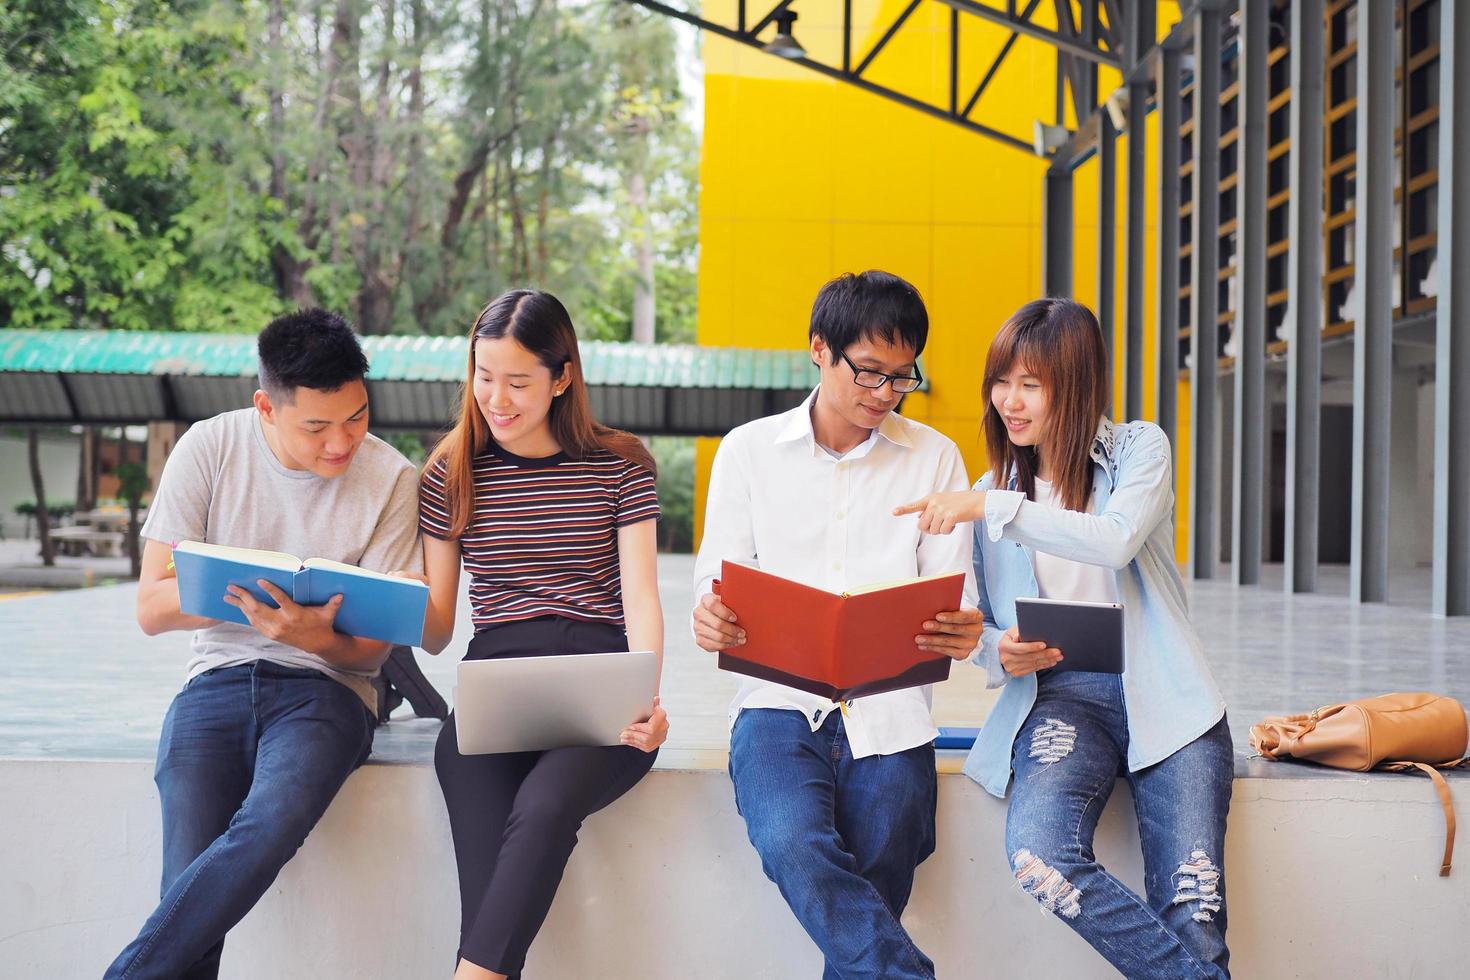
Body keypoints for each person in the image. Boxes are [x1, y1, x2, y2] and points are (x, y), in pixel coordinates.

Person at [896, 297, 1233, 979]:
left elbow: (1112, 542)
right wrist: (999, 650)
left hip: (1167, 697)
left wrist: (993, 507)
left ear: (1073, 383)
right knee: (1041, 855)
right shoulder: (992, 491)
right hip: (1062, 699)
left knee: (1193, 908)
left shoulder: (1140, 450)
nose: (1008, 402)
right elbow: (983, 625)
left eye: (1029, 383)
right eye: (1000, 381)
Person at [104, 309, 423, 980]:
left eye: (357, 417)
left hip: (327, 695)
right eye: (317, 426)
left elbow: (371, 652)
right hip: (214, 685)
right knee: (188, 871)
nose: (342, 443)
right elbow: (151, 606)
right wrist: (255, 603)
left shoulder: (394, 479)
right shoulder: (208, 449)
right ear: (266, 408)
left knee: (268, 823)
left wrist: (316, 639)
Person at [692, 270, 982, 979]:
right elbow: (716, 578)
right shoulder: (749, 451)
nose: (884, 394)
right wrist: (712, 615)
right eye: (869, 373)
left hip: (891, 713)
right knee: (791, 839)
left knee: (887, 851)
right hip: (775, 706)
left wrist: (961, 628)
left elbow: (956, 596)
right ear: (819, 350)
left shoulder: (935, 457)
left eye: (901, 379)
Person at [415, 289, 669, 980]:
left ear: (562, 378)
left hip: (601, 701)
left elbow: (642, 597)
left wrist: (647, 698)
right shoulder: (449, 473)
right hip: (493, 695)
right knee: (489, 893)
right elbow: (437, 628)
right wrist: (361, 609)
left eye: (518, 382)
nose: (497, 398)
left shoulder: (622, 466)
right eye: (484, 375)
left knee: (546, 805)